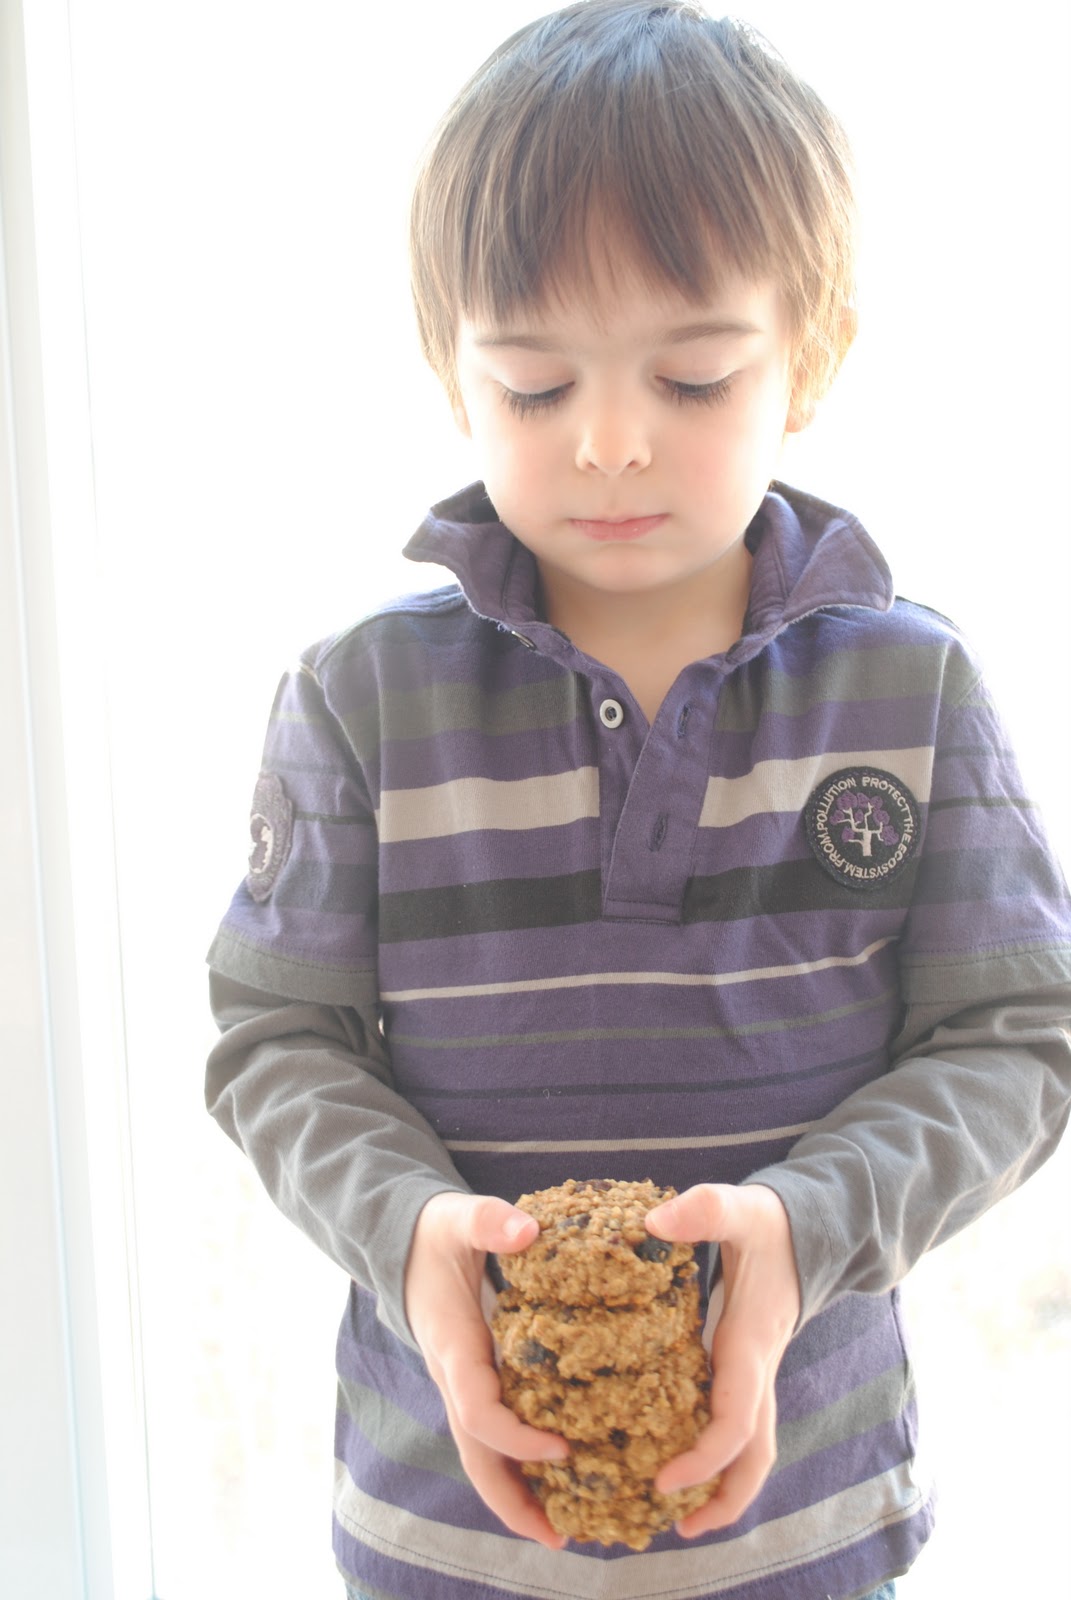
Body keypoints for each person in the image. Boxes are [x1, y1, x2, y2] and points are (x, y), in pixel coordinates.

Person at [204, 4, 1071, 1597]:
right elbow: (278, 1045)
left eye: (692, 374)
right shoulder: (358, 698)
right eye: (535, 387)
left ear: (809, 358)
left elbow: (1020, 1039)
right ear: (447, 368)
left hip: (807, 1528)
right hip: (438, 1535)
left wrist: (808, 1230)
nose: (609, 441)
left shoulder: (915, 696)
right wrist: (410, 1234)